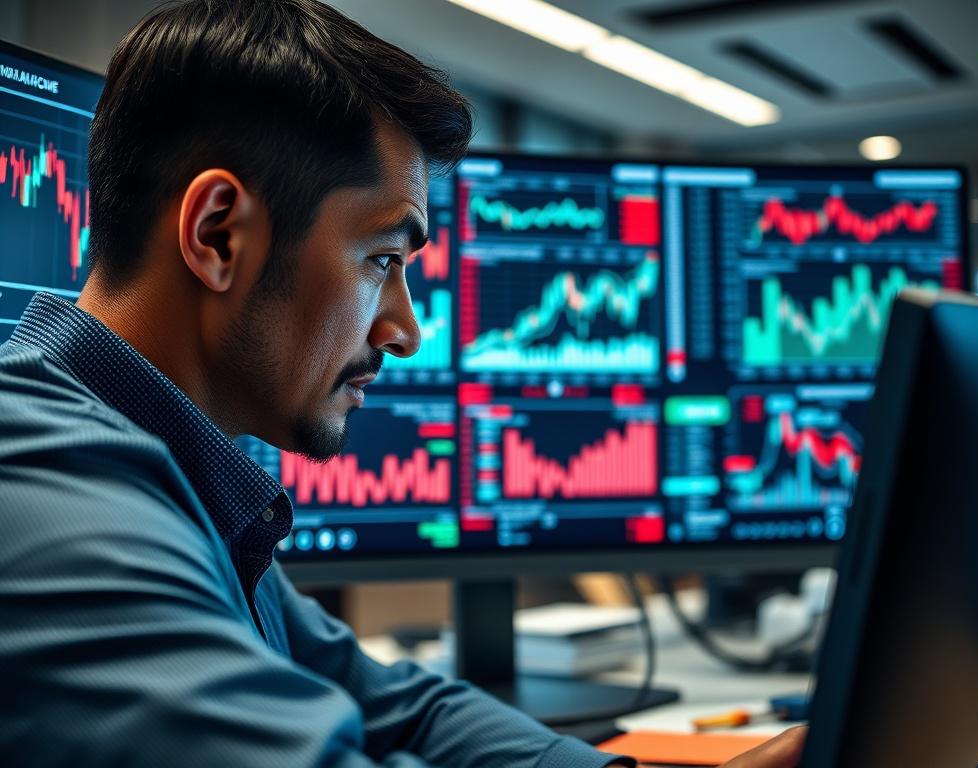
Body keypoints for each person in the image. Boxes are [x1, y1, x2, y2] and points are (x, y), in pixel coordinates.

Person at [0, 1, 804, 765]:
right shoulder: (50, 498)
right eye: (383, 260)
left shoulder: (168, 477)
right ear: (218, 235)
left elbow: (382, 698)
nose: (407, 331)